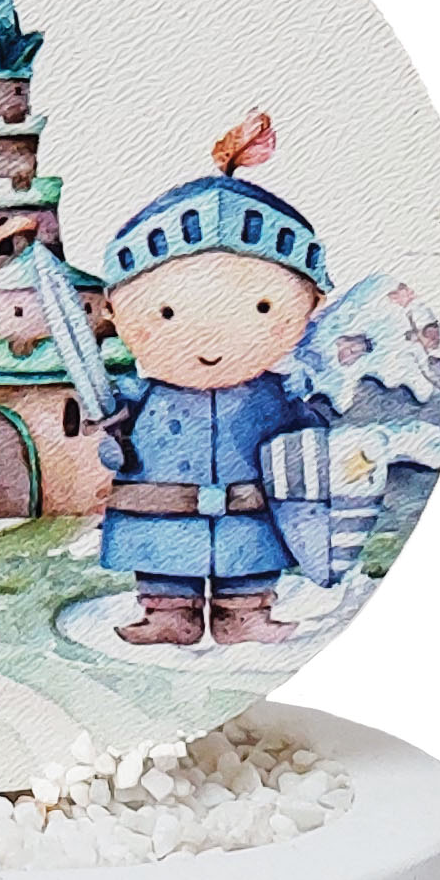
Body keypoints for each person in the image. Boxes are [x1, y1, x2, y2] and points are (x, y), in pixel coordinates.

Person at [98, 173, 331, 645]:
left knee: (249, 561)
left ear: (312, 305)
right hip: (161, 510)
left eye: (262, 308)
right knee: (164, 560)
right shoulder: (139, 397)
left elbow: (305, 434)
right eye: (166, 313)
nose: (211, 341)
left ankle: (244, 614)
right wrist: (113, 445)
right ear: (113, 311)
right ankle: (168, 613)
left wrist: (315, 428)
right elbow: (113, 446)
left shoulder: (277, 394)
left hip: (249, 509)